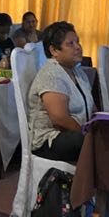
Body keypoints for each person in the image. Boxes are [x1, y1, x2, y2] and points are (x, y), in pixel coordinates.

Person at [27, 21, 95, 163]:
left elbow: (92, 108)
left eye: (78, 42)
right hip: (50, 139)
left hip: (74, 134)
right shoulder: (51, 74)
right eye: (70, 44)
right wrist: (88, 133)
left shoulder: (78, 72)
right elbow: (59, 118)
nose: (78, 47)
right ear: (54, 51)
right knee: (90, 142)